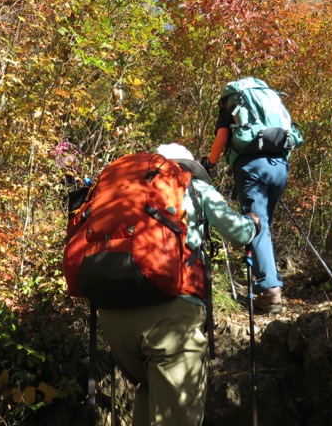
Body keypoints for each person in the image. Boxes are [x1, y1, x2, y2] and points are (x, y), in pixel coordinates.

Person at [97, 143, 259, 426]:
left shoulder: (126, 190)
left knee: (149, 388)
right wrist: (254, 223)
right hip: (171, 314)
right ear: (188, 166)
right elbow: (239, 232)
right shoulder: (193, 186)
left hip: (113, 314)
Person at [201, 84, 290, 315]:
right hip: (279, 165)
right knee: (264, 225)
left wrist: (208, 164)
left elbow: (222, 137)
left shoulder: (231, 103)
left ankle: (270, 291)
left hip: (251, 168)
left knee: (257, 225)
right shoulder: (270, 100)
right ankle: (268, 280)